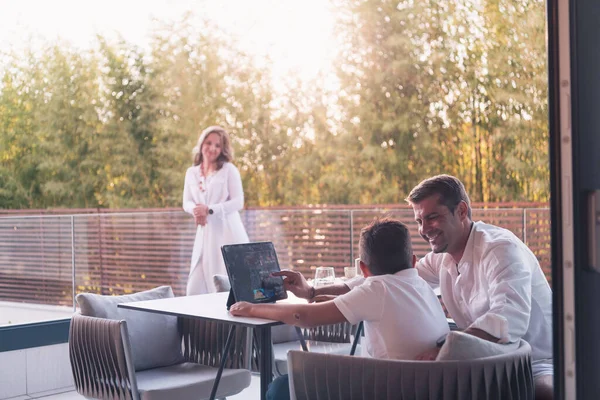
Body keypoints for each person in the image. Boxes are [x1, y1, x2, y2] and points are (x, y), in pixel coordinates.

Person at [284, 175, 554, 400]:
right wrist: (311, 292)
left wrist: (446, 347)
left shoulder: (499, 249)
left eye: (432, 217)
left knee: (546, 393)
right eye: (419, 221)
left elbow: (510, 320)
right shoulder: (442, 257)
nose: (424, 230)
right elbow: (388, 280)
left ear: (461, 211)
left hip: (537, 362)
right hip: (478, 362)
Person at [230, 218, 449, 400]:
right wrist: (314, 292)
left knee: (281, 388)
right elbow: (363, 288)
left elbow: (302, 316)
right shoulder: (421, 283)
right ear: (413, 260)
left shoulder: (378, 289)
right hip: (425, 387)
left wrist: (251, 309)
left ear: (363, 268)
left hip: (388, 389)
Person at [182, 125, 249, 294]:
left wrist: (210, 210)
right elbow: (187, 202)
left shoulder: (229, 170)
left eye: (217, 145)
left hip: (227, 231)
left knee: (225, 281)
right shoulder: (191, 172)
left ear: (222, 149)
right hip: (204, 231)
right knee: (195, 286)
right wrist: (197, 211)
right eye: (209, 142)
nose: (212, 148)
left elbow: (238, 202)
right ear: (202, 143)